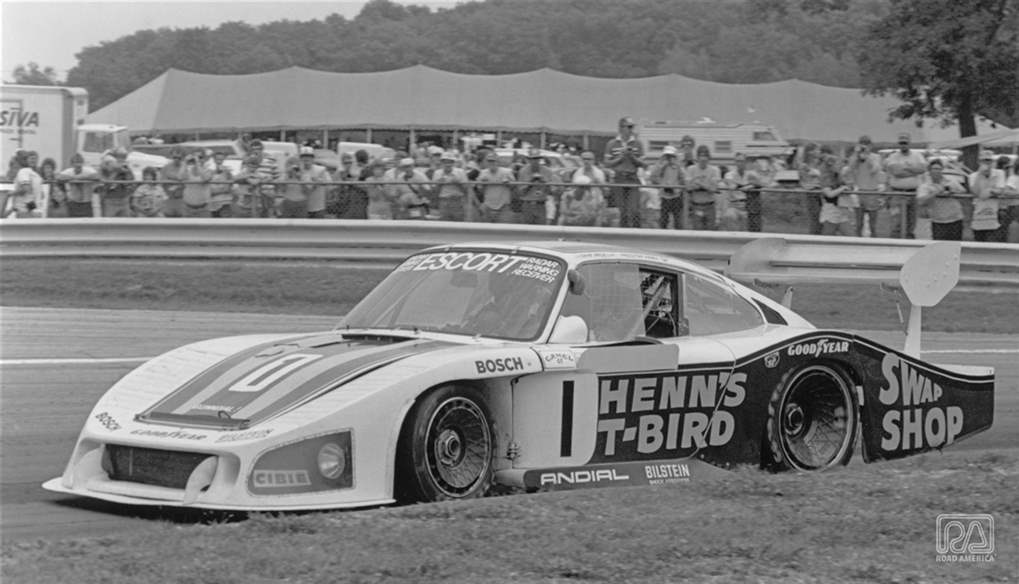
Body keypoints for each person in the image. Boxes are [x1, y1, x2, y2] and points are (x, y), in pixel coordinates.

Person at [603, 116, 646, 227]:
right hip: (619, 178)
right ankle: (623, 233)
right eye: (629, 127)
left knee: (634, 209)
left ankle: (638, 233)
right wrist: (621, 157)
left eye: (633, 127)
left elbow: (643, 163)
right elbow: (606, 163)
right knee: (622, 211)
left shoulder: (637, 143)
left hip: (632, 178)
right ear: (621, 128)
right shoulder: (612, 143)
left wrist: (632, 157)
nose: (632, 130)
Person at [883, 132, 927, 238]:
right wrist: (913, 170)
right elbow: (896, 172)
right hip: (897, 193)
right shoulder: (893, 156)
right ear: (899, 144)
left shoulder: (917, 155)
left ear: (909, 143)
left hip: (913, 193)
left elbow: (922, 169)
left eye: (905, 142)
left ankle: (909, 242)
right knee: (896, 222)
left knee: (911, 222)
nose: (903, 144)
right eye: (901, 143)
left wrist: (905, 168)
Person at [844, 135, 885, 237]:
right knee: (858, 224)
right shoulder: (855, 157)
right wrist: (857, 154)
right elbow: (850, 169)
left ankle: (874, 243)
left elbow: (874, 170)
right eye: (862, 144)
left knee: (872, 225)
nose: (864, 146)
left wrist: (867, 156)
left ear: (870, 146)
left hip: (872, 191)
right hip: (859, 192)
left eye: (866, 144)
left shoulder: (876, 157)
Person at [916, 159, 966, 240]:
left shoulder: (951, 181)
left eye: (939, 169)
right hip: (938, 221)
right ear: (929, 171)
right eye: (934, 169)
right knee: (940, 248)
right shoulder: (925, 186)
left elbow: (964, 193)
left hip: (955, 220)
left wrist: (953, 192)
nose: (937, 171)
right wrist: (935, 193)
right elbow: (921, 201)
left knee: (955, 248)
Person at [969, 151, 1006, 242]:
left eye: (989, 161)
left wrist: (989, 191)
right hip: (978, 213)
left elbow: (1000, 190)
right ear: (979, 162)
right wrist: (980, 175)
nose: (987, 163)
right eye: (984, 161)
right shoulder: (973, 176)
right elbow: (976, 192)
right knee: (979, 243)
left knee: (995, 243)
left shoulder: (1000, 173)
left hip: (996, 213)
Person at [516, 149, 558, 225]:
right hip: (528, 203)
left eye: (537, 158)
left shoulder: (547, 171)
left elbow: (552, 191)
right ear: (529, 160)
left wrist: (544, 181)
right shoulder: (523, 171)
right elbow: (520, 193)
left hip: (541, 203)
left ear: (540, 159)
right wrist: (530, 182)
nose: (535, 161)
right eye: (532, 159)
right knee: (527, 230)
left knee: (541, 231)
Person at [817, 153, 855, 236]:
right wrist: (842, 188)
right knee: (827, 238)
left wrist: (849, 186)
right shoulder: (825, 178)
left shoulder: (839, 176)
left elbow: (848, 187)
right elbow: (829, 194)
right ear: (831, 165)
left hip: (841, 210)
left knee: (851, 236)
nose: (841, 165)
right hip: (831, 211)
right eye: (838, 164)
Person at [684, 145, 721, 230]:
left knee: (710, 232)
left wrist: (699, 183)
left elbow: (714, 188)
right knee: (697, 232)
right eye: (701, 156)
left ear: (708, 158)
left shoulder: (714, 170)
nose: (703, 159)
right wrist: (707, 184)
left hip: (710, 206)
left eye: (705, 156)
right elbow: (688, 187)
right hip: (696, 205)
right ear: (697, 157)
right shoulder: (691, 169)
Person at [649, 145, 685, 229]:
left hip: (676, 197)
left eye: (671, 156)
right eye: (667, 156)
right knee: (663, 221)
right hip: (664, 197)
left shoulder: (678, 166)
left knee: (678, 222)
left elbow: (683, 179)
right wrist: (662, 185)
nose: (669, 158)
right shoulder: (660, 165)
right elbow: (653, 177)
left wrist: (676, 188)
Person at [474, 153, 515, 223]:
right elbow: (480, 191)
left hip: (503, 205)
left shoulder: (507, 172)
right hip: (488, 205)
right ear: (487, 162)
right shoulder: (483, 173)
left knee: (504, 230)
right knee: (486, 230)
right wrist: (482, 184)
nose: (491, 163)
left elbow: (514, 187)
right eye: (489, 161)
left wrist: (508, 183)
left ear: (498, 162)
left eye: (493, 161)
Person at [56, 153, 100, 218]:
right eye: (76, 164)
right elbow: (59, 177)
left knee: (88, 225)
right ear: (72, 164)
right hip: (74, 204)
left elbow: (97, 176)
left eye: (80, 164)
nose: (78, 167)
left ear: (82, 163)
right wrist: (73, 178)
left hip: (86, 204)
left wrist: (82, 177)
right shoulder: (69, 171)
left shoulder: (88, 170)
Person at [433, 151, 470, 221]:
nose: (448, 164)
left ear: (453, 163)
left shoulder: (461, 172)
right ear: (442, 163)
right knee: (444, 224)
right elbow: (434, 192)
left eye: (450, 162)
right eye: (445, 162)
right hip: (443, 201)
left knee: (459, 224)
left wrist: (458, 183)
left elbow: (467, 190)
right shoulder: (437, 173)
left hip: (457, 201)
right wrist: (439, 184)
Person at [797, 143, 824, 235]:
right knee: (815, 216)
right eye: (817, 150)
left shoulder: (818, 164)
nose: (819, 152)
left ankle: (819, 235)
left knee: (822, 216)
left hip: (821, 193)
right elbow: (805, 179)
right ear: (810, 152)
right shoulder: (804, 166)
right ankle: (814, 236)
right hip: (811, 193)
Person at [98, 150, 135, 218]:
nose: (120, 160)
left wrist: (126, 171)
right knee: (109, 224)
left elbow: (131, 181)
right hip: (109, 201)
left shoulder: (125, 167)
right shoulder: (103, 171)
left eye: (123, 157)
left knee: (125, 224)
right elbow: (105, 186)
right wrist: (116, 172)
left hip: (124, 200)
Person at [720, 152, 751, 231]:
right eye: (738, 161)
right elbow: (731, 185)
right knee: (729, 216)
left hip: (747, 206)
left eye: (742, 161)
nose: (740, 163)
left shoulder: (750, 175)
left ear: (745, 162)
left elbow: (760, 183)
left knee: (747, 231)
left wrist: (750, 185)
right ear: (735, 162)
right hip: (734, 206)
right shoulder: (729, 174)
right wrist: (747, 186)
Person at [8, 151, 43, 218]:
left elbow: (26, 189)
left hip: (26, 212)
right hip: (36, 211)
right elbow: (42, 194)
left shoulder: (22, 172)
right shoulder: (35, 174)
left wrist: (12, 193)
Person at [298, 147, 330, 218]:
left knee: (319, 228)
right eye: (304, 156)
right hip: (302, 207)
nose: (306, 159)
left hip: (318, 207)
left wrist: (319, 181)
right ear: (300, 158)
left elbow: (329, 183)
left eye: (309, 156)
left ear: (313, 158)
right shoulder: (297, 171)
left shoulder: (321, 169)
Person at [181, 149, 213, 218]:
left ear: (205, 159)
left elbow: (205, 178)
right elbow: (180, 177)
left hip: (203, 209)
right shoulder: (188, 170)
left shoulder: (208, 171)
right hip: (188, 209)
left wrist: (197, 162)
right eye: (195, 157)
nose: (198, 159)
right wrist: (185, 162)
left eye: (200, 157)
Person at [160, 147, 188, 218]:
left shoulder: (185, 168)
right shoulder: (166, 167)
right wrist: (177, 183)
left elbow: (185, 181)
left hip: (182, 200)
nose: (177, 159)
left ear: (183, 158)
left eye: (179, 158)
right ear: (171, 156)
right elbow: (162, 182)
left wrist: (173, 182)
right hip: (169, 199)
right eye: (175, 157)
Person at [209, 151, 235, 218]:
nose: (220, 161)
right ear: (214, 160)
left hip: (224, 202)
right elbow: (209, 189)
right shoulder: (210, 172)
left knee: (226, 224)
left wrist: (226, 172)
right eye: (218, 159)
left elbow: (229, 186)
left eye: (221, 159)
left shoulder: (228, 171)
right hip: (213, 203)